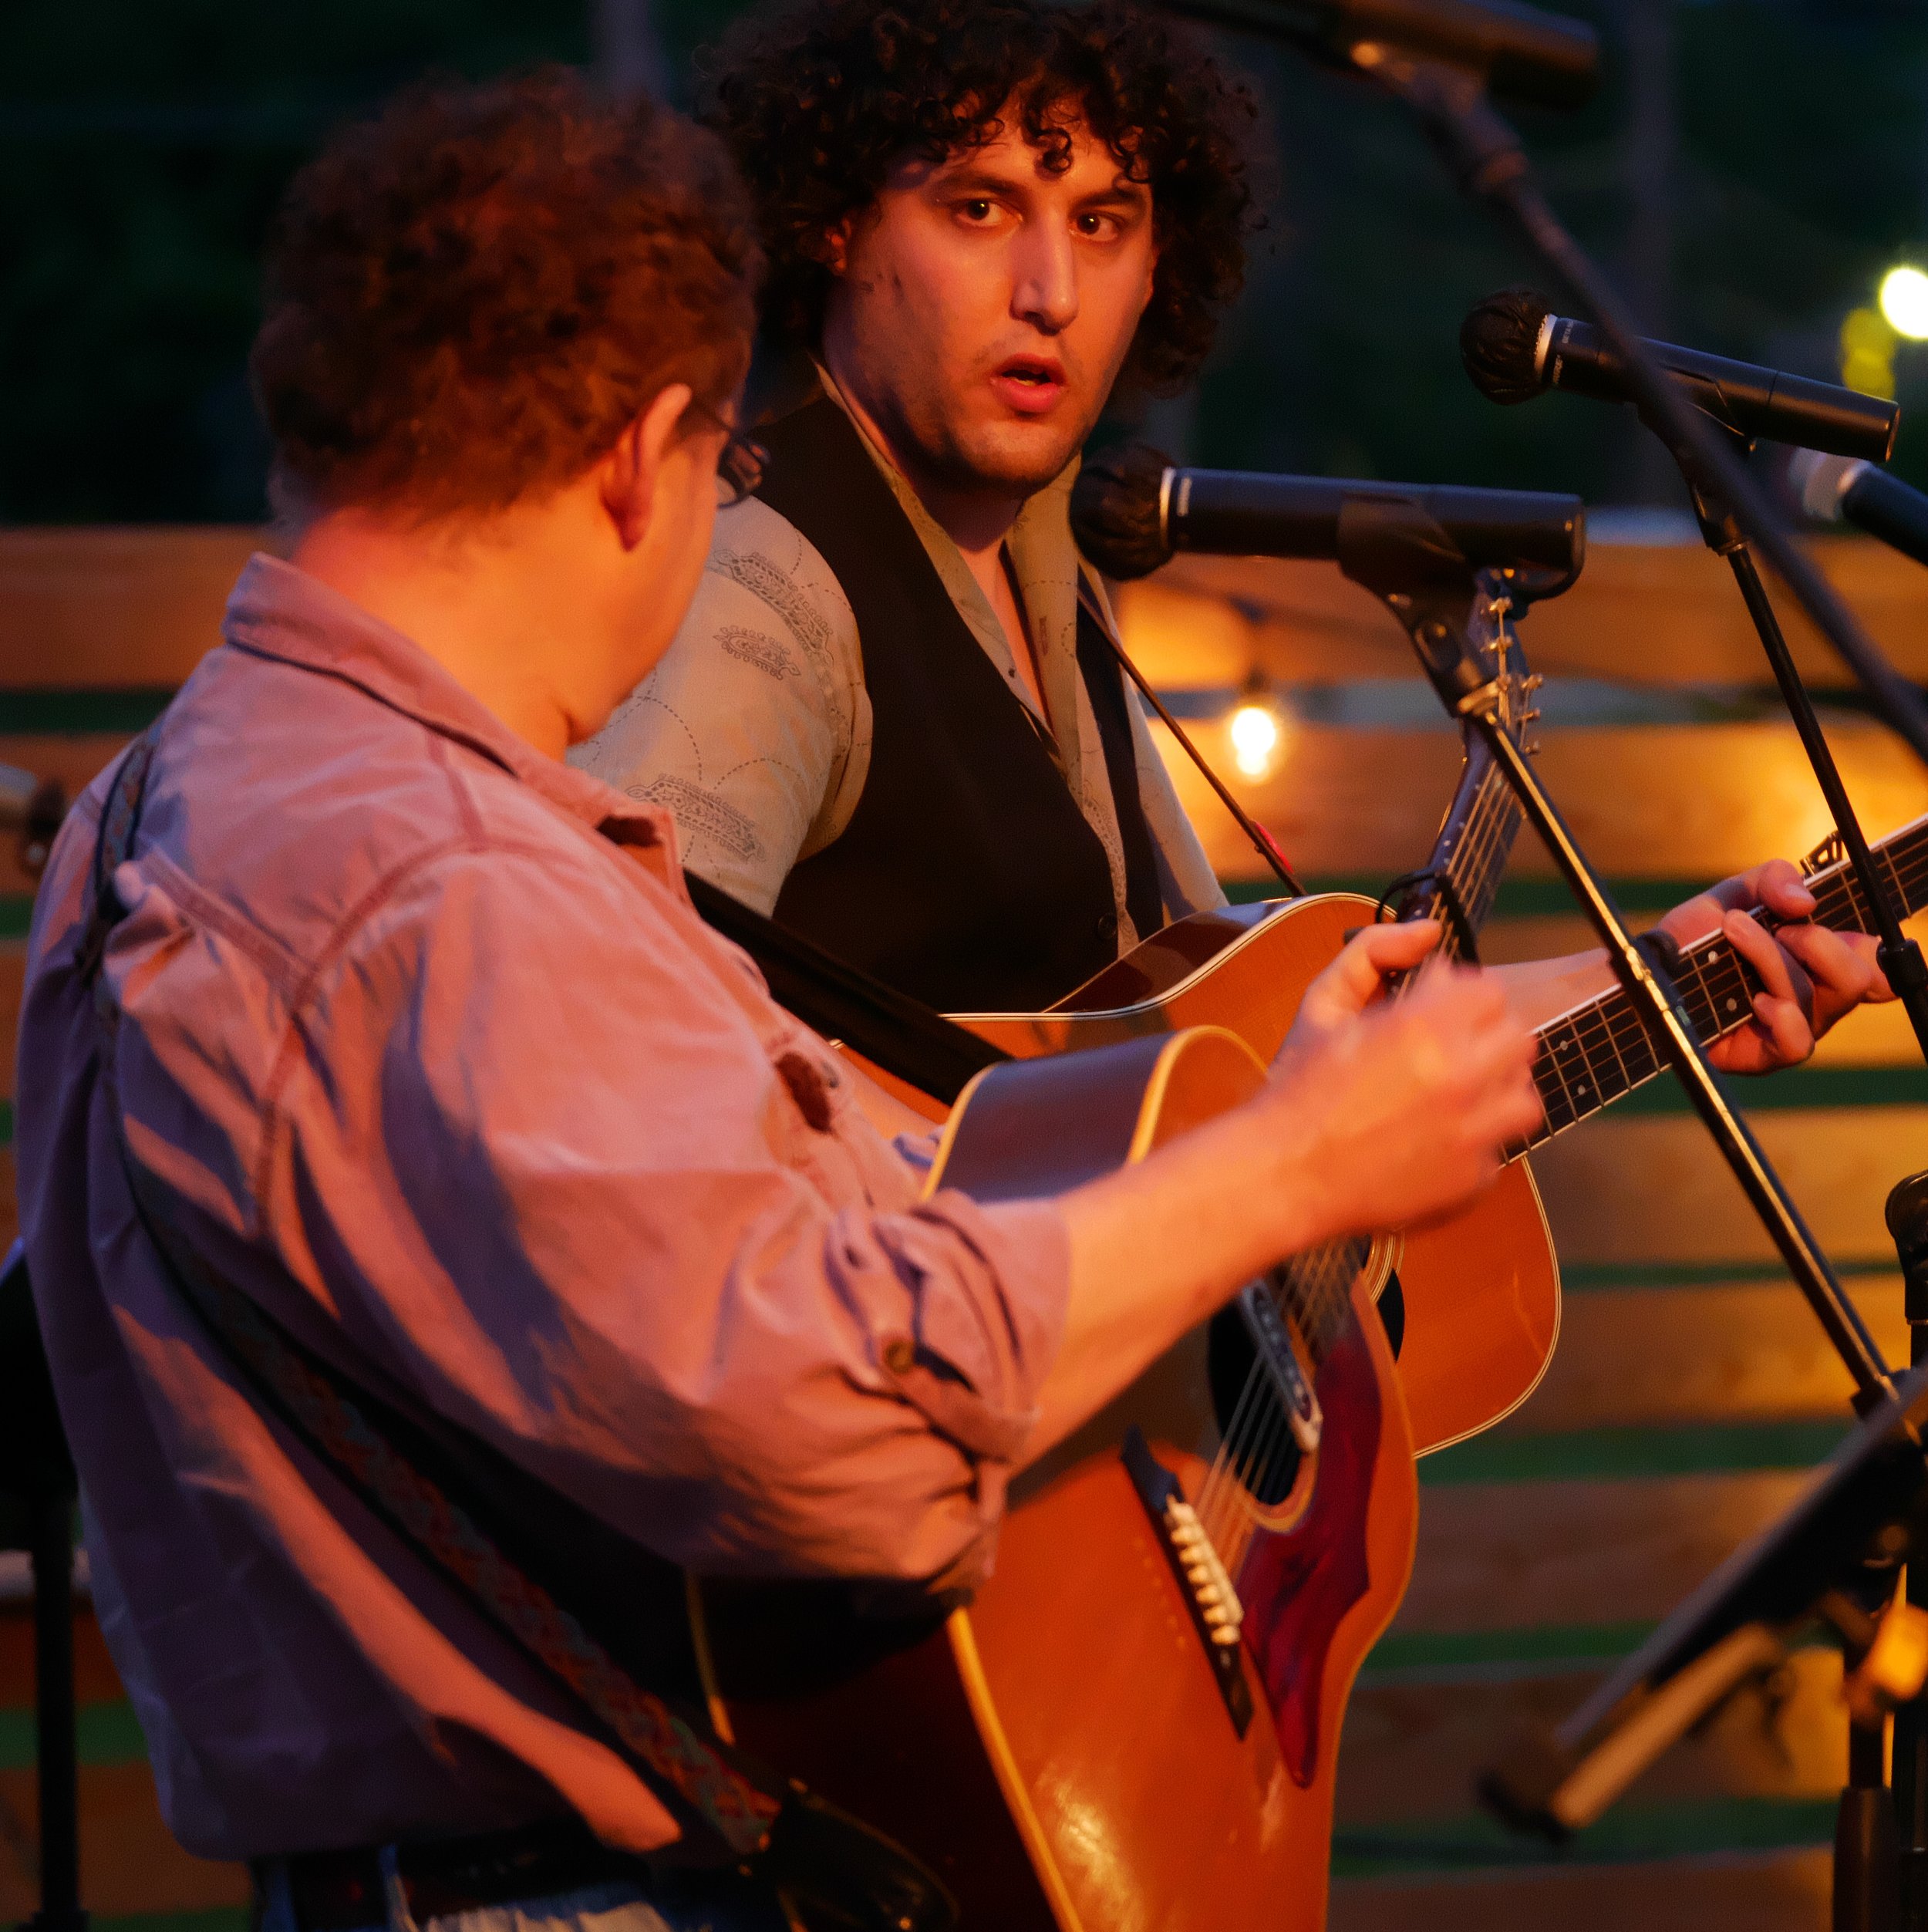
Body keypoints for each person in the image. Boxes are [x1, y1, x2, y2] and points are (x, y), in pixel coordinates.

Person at [18, 70, 1544, 1932]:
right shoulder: (446, 886)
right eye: (729, 468)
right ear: (644, 453)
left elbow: (674, 1240)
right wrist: (1283, 1176)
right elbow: (847, 1440)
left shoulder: (172, 798)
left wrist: (1285, 1110)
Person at [573, 0, 1886, 1064]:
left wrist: (1667, 971)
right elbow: (623, 1066)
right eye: (979, 208)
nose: (1050, 292)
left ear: (1162, 263)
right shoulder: (764, 587)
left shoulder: (1045, 575)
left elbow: (1243, 1043)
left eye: (1102, 222)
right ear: (834, 223)